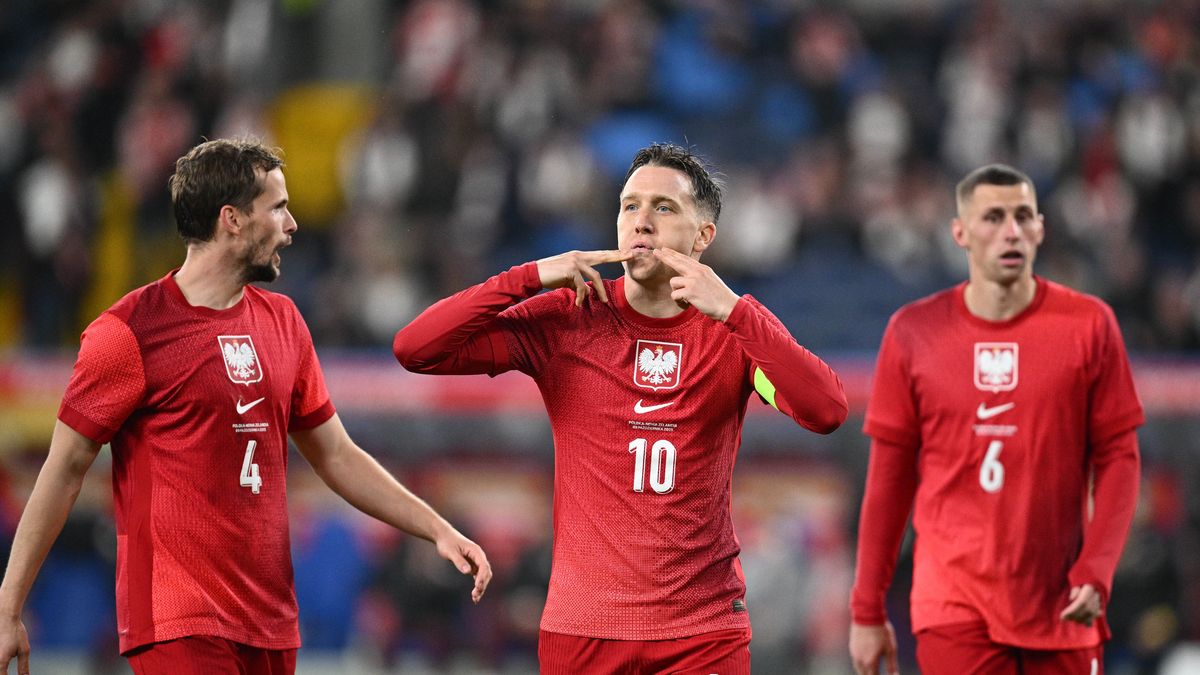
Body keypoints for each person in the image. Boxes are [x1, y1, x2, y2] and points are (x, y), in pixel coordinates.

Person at [0, 138, 491, 675]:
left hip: (270, 622)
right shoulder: (129, 331)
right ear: (231, 219)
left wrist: (436, 528)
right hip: (178, 621)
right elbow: (64, 469)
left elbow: (335, 455)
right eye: (277, 208)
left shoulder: (284, 322)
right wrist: (9, 606)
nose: (292, 225)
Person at [393, 142, 849, 673]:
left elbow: (825, 410)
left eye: (664, 207)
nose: (641, 221)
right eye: (630, 205)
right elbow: (416, 349)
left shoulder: (734, 331)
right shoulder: (568, 317)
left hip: (700, 634)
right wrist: (529, 277)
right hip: (583, 630)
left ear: (703, 236)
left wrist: (733, 310)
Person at [848, 164, 1143, 675]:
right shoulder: (913, 333)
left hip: (1063, 605)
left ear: (1040, 229)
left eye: (1023, 216)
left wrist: (1096, 569)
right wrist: (867, 609)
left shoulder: (1090, 326)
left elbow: (1120, 458)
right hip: (954, 608)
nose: (1011, 231)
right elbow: (889, 480)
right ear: (960, 232)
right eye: (993, 217)